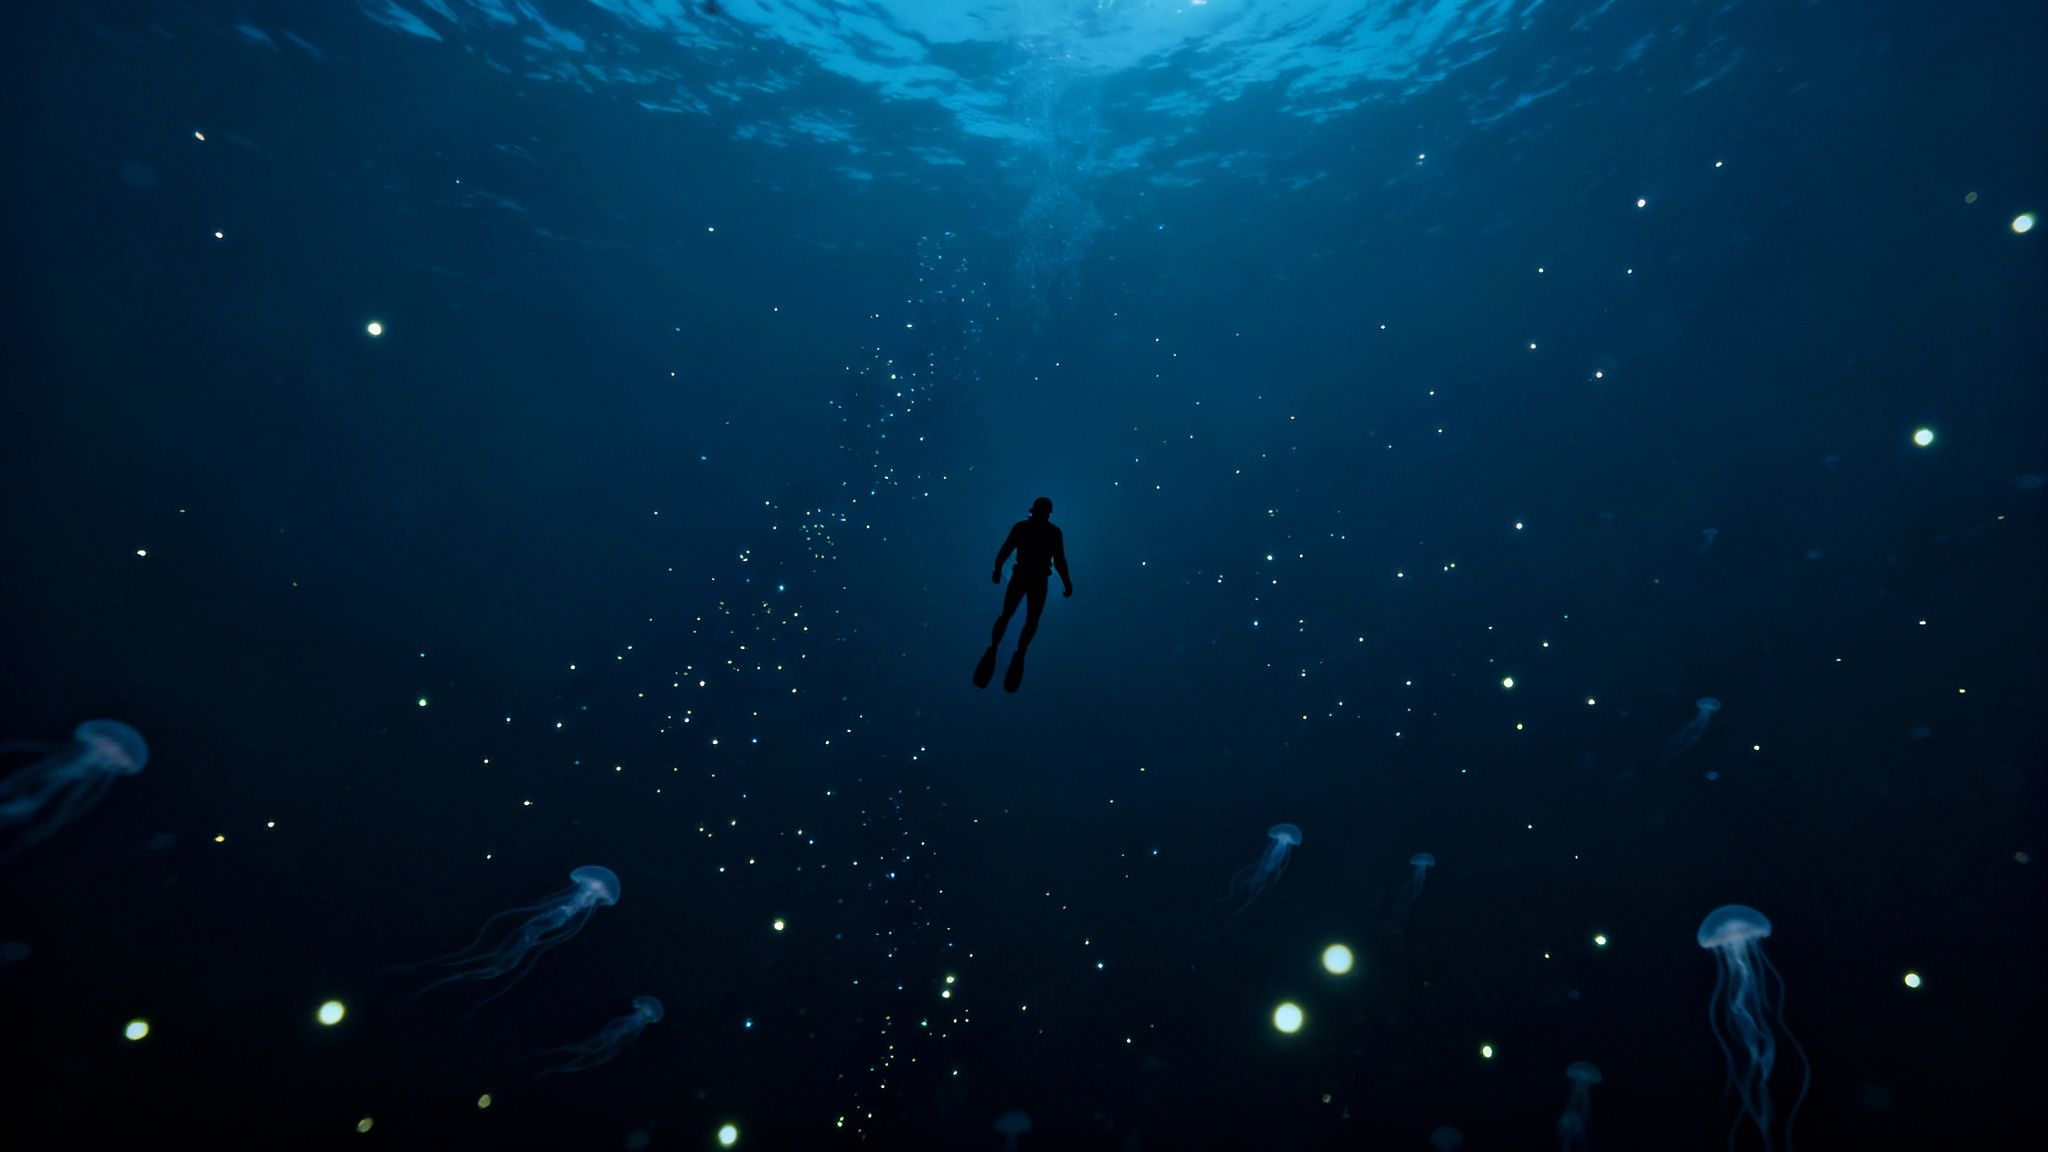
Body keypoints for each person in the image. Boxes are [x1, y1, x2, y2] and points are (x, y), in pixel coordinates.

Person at [975, 497, 1072, 692]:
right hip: (1032, 578)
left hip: (1026, 577)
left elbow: (1007, 548)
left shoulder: (1029, 528)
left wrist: (997, 568)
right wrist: (1067, 583)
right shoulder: (1049, 532)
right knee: (1022, 618)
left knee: (1015, 616)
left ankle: (1003, 649)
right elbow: (1058, 560)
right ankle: (1012, 651)